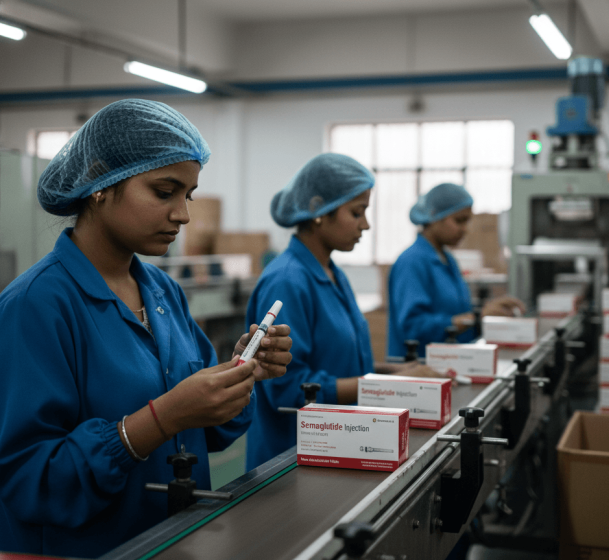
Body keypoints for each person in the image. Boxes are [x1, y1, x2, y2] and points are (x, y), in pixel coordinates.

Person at [0, 99, 293, 558]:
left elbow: (208, 431)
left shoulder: (161, 292)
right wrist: (160, 419)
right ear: (99, 183)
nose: (184, 214)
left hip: (175, 542)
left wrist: (238, 375)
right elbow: (30, 481)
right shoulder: (35, 306)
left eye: (188, 195)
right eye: (164, 191)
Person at [245, 153, 440, 470]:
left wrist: (394, 373)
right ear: (320, 211)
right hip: (292, 458)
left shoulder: (332, 272)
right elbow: (289, 389)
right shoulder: (288, 281)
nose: (366, 224)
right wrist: (382, 386)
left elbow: (340, 362)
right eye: (357, 212)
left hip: (342, 444)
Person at [388, 182, 526, 358]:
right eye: (459, 221)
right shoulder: (412, 262)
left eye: (467, 221)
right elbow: (413, 328)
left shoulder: (447, 259)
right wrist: (475, 318)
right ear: (434, 216)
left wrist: (486, 313)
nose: (465, 229)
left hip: (452, 362)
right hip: (421, 370)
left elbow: (457, 314)